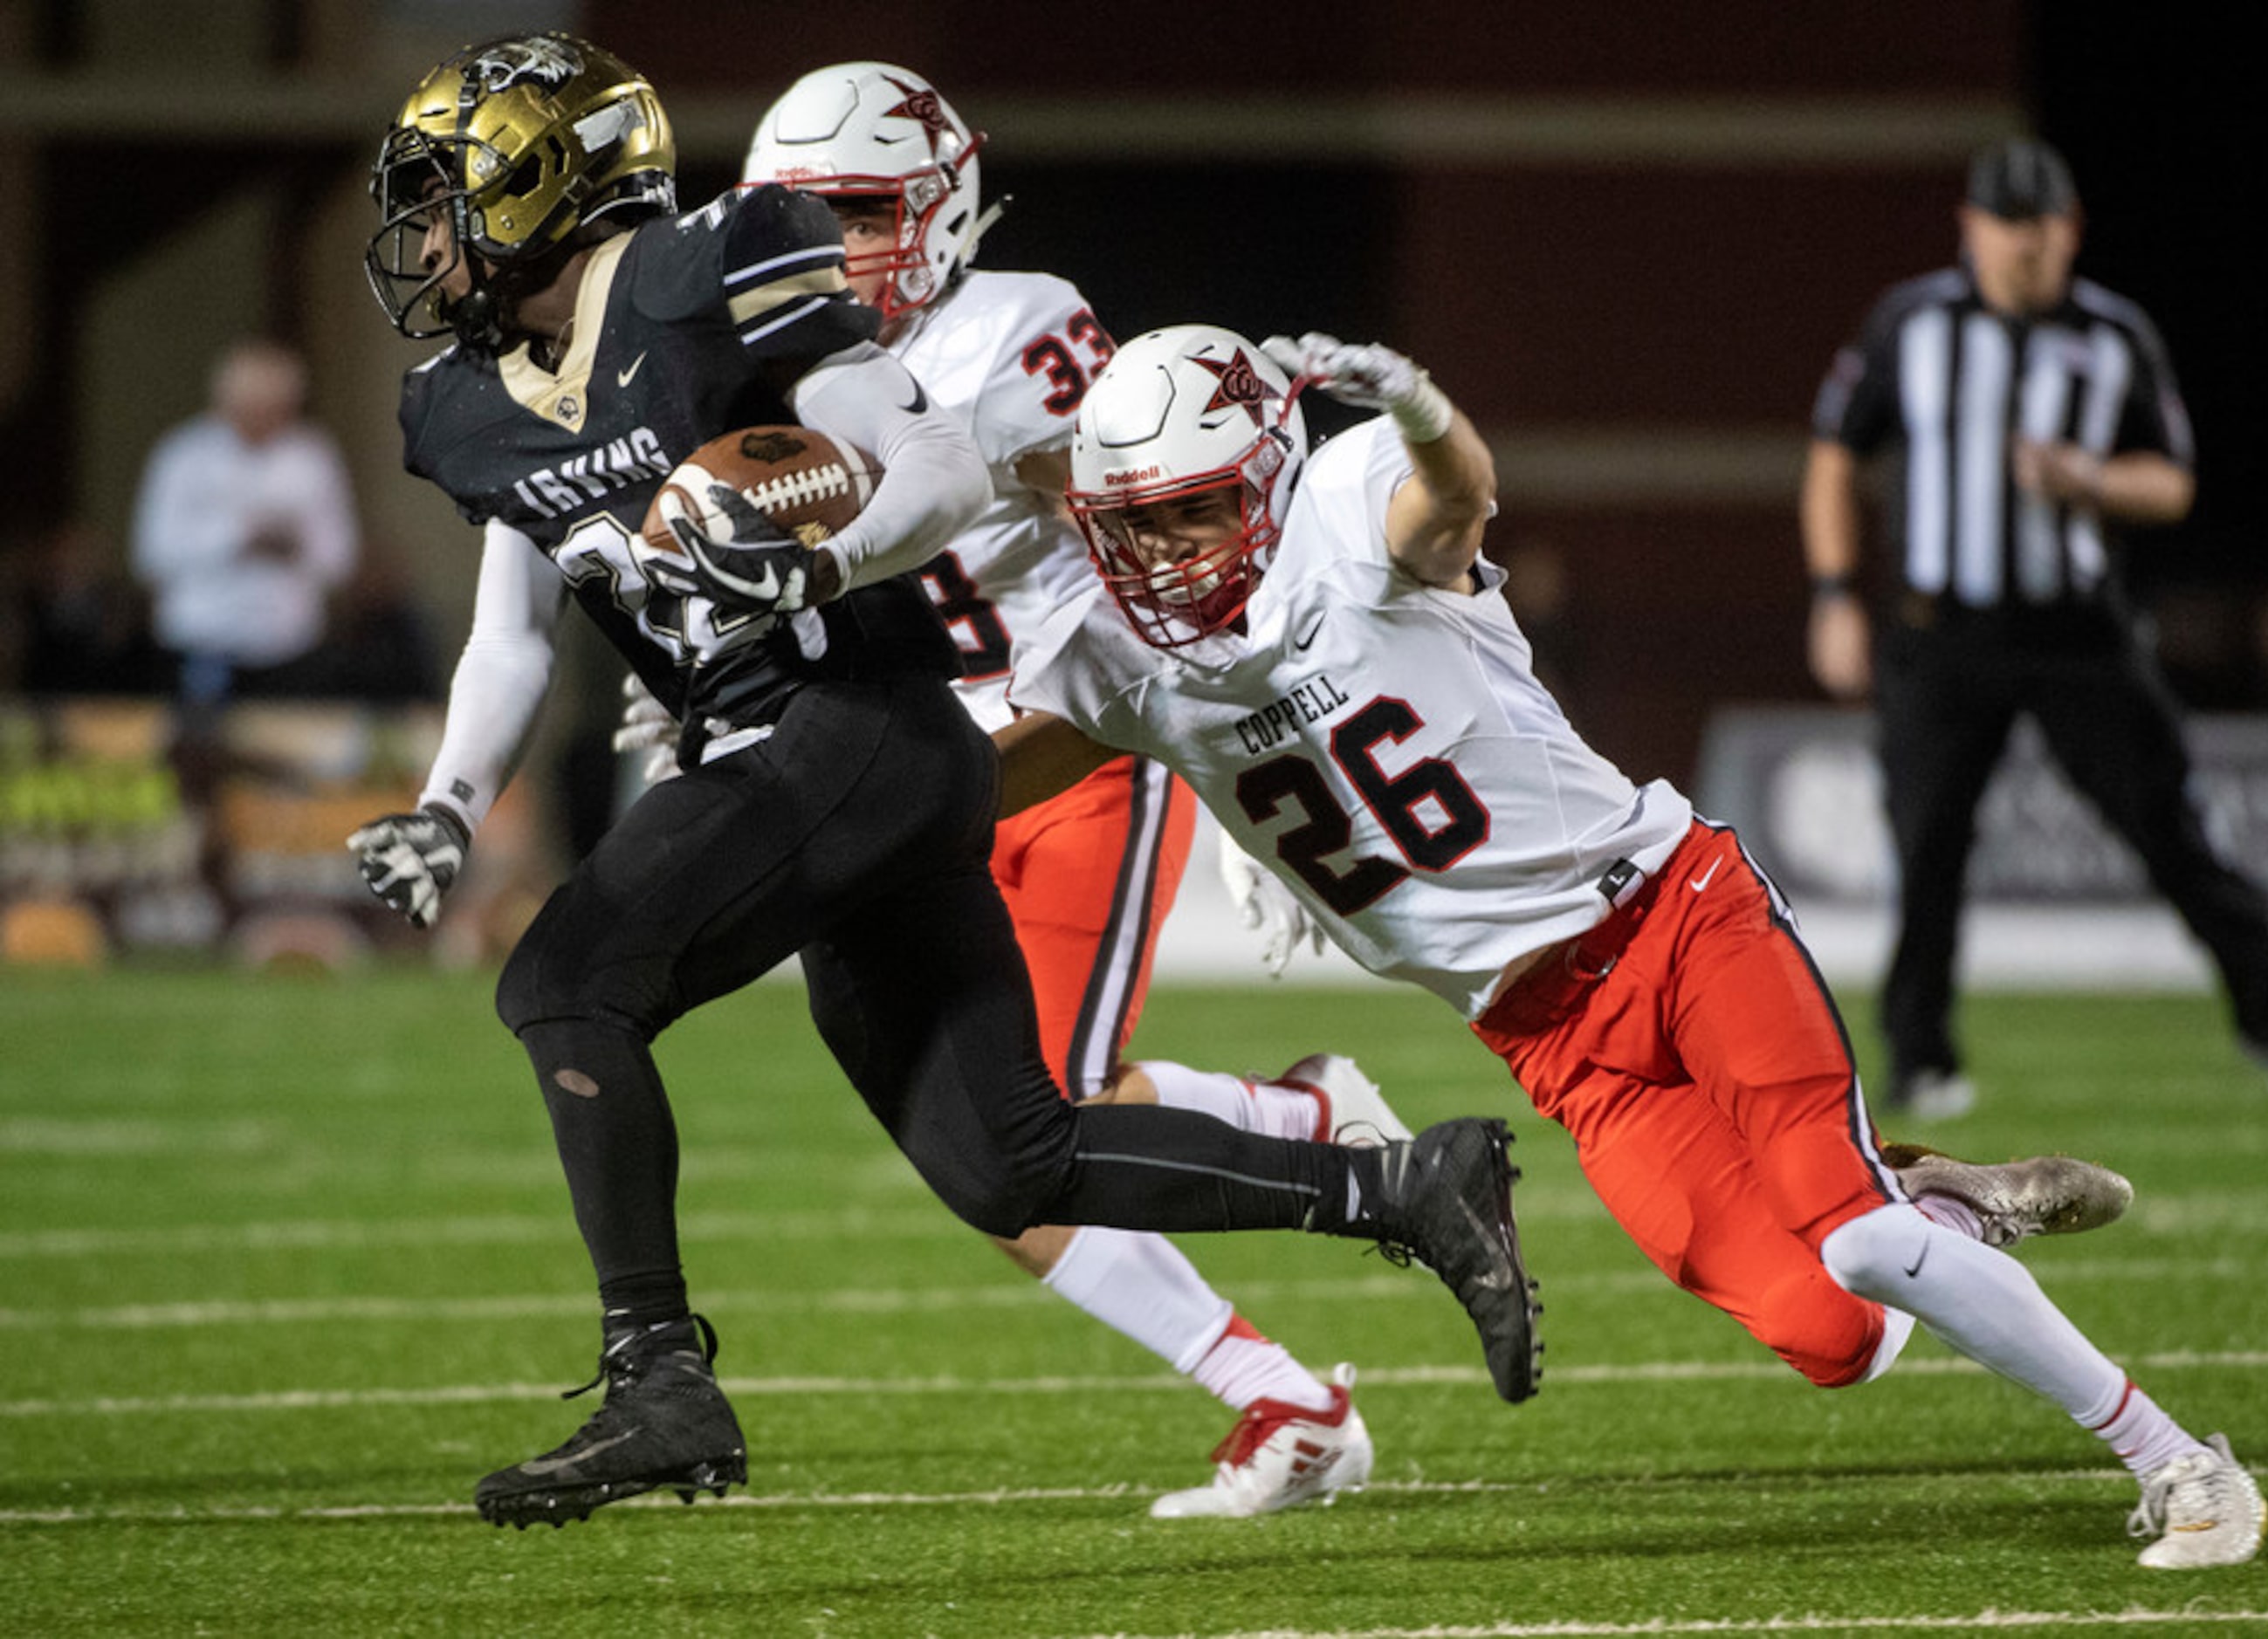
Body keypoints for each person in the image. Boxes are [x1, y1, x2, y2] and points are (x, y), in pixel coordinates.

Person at [343, 31, 1537, 1531]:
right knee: (1007, 1159)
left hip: (857, 717)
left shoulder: (705, 267)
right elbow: (513, 627)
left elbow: (941, 465)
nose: (427, 233)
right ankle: (1405, 1188)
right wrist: (448, 805)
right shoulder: (462, 403)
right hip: (821, 756)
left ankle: (659, 1378)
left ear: (543, 184)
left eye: (452, 193)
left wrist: (813, 559)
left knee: (566, 982)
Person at [967, 321, 2265, 1569]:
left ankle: (2175, 1458)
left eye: (1188, 510)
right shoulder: (1118, 659)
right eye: (1130, 522)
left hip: (1671, 913)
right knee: (1840, 1334)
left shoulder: (1358, 499)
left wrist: (1416, 407)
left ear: (1264, 475)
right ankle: (1936, 1197)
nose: (1159, 552)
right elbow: (971, 786)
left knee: (1856, 1241)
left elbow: (1457, 495)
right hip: (1549, 1041)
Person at [711, 60, 1401, 1518]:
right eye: (802, 216)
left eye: (858, 210)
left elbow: (1164, 504)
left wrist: (1240, 767)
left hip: (1063, 738)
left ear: (941, 202)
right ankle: (1285, 1333)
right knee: (967, 1144)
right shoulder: (765, 357)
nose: (836, 248)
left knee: (1042, 1115)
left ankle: (1293, 1277)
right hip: (907, 769)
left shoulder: (1015, 322)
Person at [1801, 137, 2268, 1118]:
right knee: (1925, 848)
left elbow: (2171, 481)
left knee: (2170, 832)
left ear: (2069, 232)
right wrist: (1833, 591)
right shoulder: (1907, 323)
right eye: (2005, 226)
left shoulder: (2112, 335)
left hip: (2075, 637)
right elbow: (1834, 455)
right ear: (1969, 227)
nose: (2022, 249)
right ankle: (1919, 1056)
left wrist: (2084, 478)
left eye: (2040, 229)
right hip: (1940, 634)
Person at [130, 338, 359, 706]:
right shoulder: (184, 456)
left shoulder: (312, 458)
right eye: (250, 408)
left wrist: (291, 546)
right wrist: (237, 538)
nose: (261, 420)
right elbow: (152, 553)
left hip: (290, 648)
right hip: (201, 643)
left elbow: (339, 558)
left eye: (274, 409)